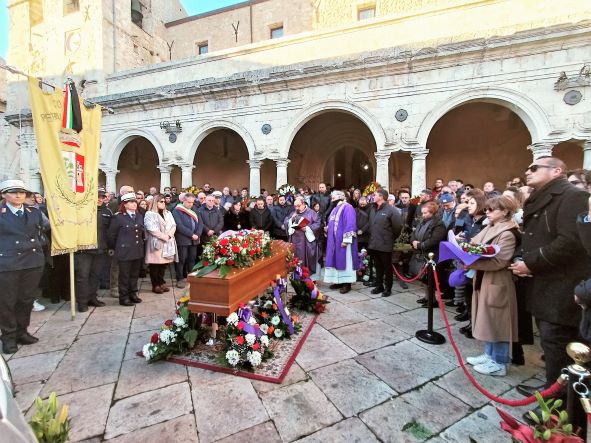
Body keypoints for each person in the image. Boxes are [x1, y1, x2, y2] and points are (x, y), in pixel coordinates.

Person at [509, 157, 591, 404]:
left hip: (560, 286)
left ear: (557, 171)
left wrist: (531, 262)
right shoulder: (545, 197)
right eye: (528, 166)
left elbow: (571, 242)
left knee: (558, 346)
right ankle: (550, 388)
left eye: (534, 168)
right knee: (550, 345)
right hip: (544, 281)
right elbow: (536, 236)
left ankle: (557, 409)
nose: (527, 170)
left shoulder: (572, 196)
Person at [465, 196, 520, 376]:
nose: (486, 212)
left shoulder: (508, 232)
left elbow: (500, 261)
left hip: (498, 281)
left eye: (491, 210)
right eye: (486, 209)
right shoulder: (491, 226)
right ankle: (489, 355)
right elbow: (474, 244)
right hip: (484, 278)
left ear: (504, 211)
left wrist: (470, 263)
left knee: (498, 321)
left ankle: (500, 362)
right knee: (487, 319)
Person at [0, 180, 47, 354]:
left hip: (32, 262)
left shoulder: (33, 212)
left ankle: (22, 331)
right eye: (13, 192)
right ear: (4, 195)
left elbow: (43, 230)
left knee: (26, 300)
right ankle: (8, 337)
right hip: (8, 264)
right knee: (7, 302)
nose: (18, 195)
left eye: (22, 192)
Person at [74, 189, 111, 312]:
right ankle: (82, 302)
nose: (100, 199)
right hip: (84, 249)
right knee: (82, 276)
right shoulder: (81, 210)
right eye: (97, 197)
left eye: (102, 197)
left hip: (100, 249)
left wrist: (109, 247)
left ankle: (92, 298)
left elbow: (109, 231)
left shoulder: (107, 211)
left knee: (95, 276)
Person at [107, 192, 145, 306]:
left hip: (137, 249)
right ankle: (124, 297)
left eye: (135, 202)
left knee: (134, 274)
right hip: (124, 251)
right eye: (131, 202)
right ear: (124, 204)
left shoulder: (138, 216)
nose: (134, 204)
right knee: (124, 275)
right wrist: (115, 248)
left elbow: (141, 233)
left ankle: (133, 294)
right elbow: (111, 235)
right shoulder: (118, 217)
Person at [368, 189, 403, 297]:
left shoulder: (391, 210)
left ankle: (388, 288)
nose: (373, 197)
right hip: (374, 243)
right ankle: (379, 286)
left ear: (381, 197)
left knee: (387, 267)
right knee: (377, 266)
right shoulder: (373, 208)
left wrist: (390, 238)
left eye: (375, 195)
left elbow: (398, 227)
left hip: (385, 244)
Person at [324, 190, 360, 294]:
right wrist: (328, 228)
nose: (332, 199)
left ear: (341, 197)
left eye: (333, 197)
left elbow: (350, 224)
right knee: (336, 261)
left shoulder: (347, 207)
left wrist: (346, 240)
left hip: (343, 242)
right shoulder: (335, 209)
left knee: (346, 261)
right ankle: (338, 281)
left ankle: (347, 283)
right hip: (334, 241)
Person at [411, 201, 447, 304]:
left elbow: (434, 240)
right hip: (422, 253)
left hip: (433, 255)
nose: (423, 215)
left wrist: (419, 245)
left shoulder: (439, 224)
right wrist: (413, 241)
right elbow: (414, 233)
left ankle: (432, 300)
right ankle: (427, 297)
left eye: (426, 213)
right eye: (423, 213)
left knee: (430, 279)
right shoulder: (423, 221)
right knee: (424, 279)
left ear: (433, 212)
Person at [144, 195, 177, 294]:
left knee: (164, 264)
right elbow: (151, 229)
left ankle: (162, 282)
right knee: (155, 265)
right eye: (161, 201)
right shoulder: (150, 214)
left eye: (163, 202)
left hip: (168, 242)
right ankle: (155, 285)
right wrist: (165, 237)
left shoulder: (168, 213)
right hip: (156, 242)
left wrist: (169, 236)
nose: (163, 203)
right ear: (155, 202)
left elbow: (173, 225)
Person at [285, 196, 322, 281]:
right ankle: (297, 277)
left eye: (298, 205)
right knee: (296, 259)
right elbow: (286, 221)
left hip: (306, 241)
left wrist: (307, 228)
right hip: (295, 241)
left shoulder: (312, 213)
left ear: (303, 203)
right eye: (295, 206)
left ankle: (309, 278)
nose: (296, 208)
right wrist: (291, 220)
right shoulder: (294, 213)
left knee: (306, 259)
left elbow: (318, 224)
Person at [173, 193, 203, 289]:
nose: (191, 204)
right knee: (181, 259)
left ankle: (191, 276)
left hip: (194, 240)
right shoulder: (177, 210)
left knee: (192, 258)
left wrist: (197, 234)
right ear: (184, 201)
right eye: (189, 202)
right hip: (183, 239)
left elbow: (201, 223)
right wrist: (191, 234)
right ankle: (180, 279)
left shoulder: (194, 209)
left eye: (192, 202)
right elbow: (179, 225)